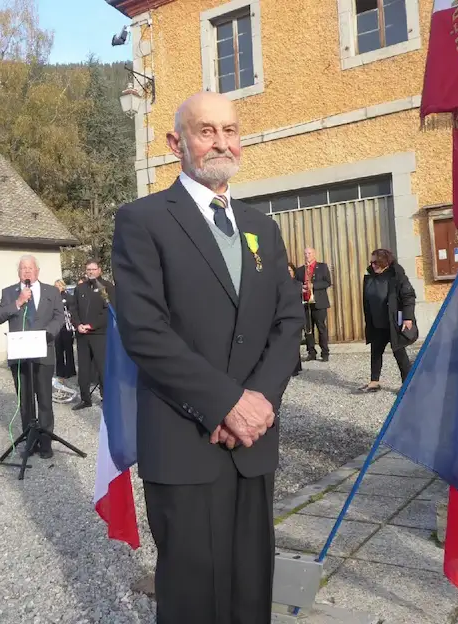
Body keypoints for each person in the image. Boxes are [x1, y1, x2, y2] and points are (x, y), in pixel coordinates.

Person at [111, 91, 303, 624]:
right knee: (193, 595)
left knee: (249, 590)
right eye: (206, 130)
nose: (222, 142)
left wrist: (259, 400)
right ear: (177, 143)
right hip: (184, 440)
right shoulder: (142, 221)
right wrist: (224, 404)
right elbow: (144, 331)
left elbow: (288, 322)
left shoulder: (262, 227)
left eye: (231, 130)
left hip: (254, 442)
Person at [0, 255, 64, 458]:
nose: (27, 271)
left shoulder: (51, 291)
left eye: (30, 268)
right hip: (20, 357)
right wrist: (17, 303)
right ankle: (30, 440)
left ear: (37, 270)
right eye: (23, 268)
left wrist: (46, 334)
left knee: (44, 399)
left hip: (44, 352)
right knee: (25, 400)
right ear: (19, 272)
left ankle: (45, 441)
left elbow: (59, 316)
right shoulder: (9, 292)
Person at [360, 248, 418, 392]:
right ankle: (374, 382)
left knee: (399, 352)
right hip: (377, 322)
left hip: (393, 322)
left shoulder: (397, 275)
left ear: (385, 261)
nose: (373, 265)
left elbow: (408, 296)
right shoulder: (370, 277)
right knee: (376, 351)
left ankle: (407, 384)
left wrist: (408, 317)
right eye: (371, 262)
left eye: (376, 262)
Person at [70, 259, 115, 410]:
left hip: (99, 334)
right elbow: (73, 309)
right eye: (88, 269)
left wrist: (92, 325)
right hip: (82, 334)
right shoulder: (80, 288)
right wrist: (78, 325)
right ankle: (85, 399)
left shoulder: (107, 287)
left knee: (102, 368)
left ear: (99, 270)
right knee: (83, 368)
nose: (90, 272)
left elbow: (108, 311)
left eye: (93, 269)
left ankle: (107, 398)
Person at [295, 247, 332, 362]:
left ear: (314, 254)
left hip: (319, 303)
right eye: (305, 253)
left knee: (321, 328)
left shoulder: (322, 267)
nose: (307, 255)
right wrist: (301, 288)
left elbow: (327, 282)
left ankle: (325, 353)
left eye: (309, 253)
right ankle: (311, 352)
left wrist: (313, 286)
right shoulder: (300, 270)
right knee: (308, 329)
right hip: (305, 303)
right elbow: (296, 284)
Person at [54, 279, 76, 381]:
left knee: (68, 349)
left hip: (67, 327)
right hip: (57, 327)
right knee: (58, 350)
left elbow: (72, 311)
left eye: (59, 285)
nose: (57, 287)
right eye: (55, 286)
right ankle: (60, 371)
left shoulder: (69, 297)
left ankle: (70, 370)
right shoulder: (53, 298)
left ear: (63, 286)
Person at [287, 262, 303, 376]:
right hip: (284, 315)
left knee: (294, 342)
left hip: (295, 315)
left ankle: (296, 368)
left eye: (290, 271)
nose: (288, 273)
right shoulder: (280, 284)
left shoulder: (297, 284)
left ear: (293, 272)